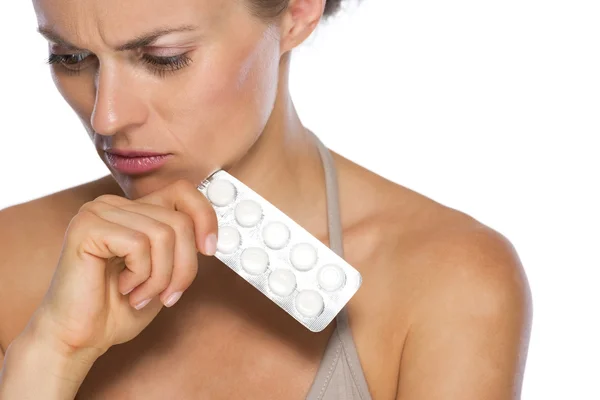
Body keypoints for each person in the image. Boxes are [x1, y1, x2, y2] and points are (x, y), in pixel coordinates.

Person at [0, 0, 532, 398]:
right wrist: (50, 354)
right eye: (69, 57)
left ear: (297, 12)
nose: (107, 117)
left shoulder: (448, 281)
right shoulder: (9, 259)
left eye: (163, 58)